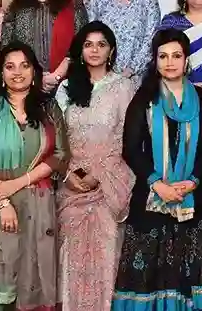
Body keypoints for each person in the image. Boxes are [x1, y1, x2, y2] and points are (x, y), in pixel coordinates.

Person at [113, 28, 202, 310]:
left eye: (176, 56)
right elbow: (130, 148)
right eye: (163, 56)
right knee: (147, 275)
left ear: (186, 60)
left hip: (190, 200)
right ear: (155, 60)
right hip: (150, 199)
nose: (170, 62)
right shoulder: (144, 97)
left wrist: (192, 181)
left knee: (187, 273)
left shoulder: (201, 99)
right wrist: (158, 184)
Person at [0, 42, 68, 311]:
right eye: (10, 67)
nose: (17, 73)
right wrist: (3, 202)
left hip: (38, 202)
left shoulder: (48, 107)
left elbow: (59, 155)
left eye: (24, 66)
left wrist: (16, 184)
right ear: (1, 73)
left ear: (34, 71)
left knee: (35, 274)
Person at [55, 21, 136, 311]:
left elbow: (130, 137)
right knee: (71, 258)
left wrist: (99, 174)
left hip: (109, 184)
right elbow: (58, 137)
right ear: (80, 50)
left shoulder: (124, 87)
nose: (94, 50)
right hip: (71, 184)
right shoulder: (66, 88)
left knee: (106, 255)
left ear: (111, 50)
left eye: (101, 44)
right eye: (88, 44)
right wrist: (68, 174)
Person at [1, 0, 88, 94]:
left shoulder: (73, 5)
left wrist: (57, 75)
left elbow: (82, 44)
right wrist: (35, 77)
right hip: (25, 86)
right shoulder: (16, 8)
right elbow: (6, 49)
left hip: (67, 86)